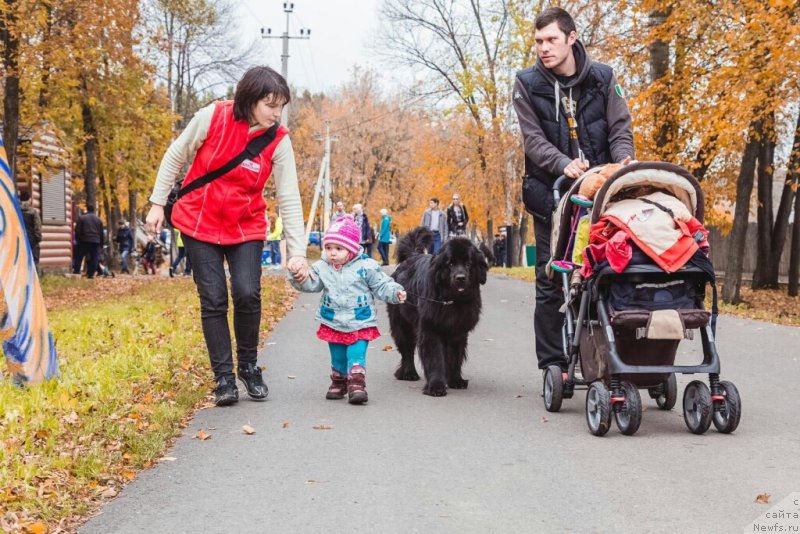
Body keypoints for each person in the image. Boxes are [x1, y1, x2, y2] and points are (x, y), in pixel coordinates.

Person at [145, 65, 311, 407]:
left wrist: (297, 251)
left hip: (245, 225)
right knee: (214, 299)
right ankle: (223, 377)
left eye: (281, 106)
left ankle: (248, 366)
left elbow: (289, 194)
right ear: (249, 99)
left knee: (248, 293)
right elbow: (176, 154)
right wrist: (157, 203)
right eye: (270, 105)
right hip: (198, 222)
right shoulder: (213, 117)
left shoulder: (278, 139)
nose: (276, 113)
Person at [513, 7, 634, 373]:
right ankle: (554, 363)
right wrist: (562, 163)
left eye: (551, 40)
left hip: (601, 192)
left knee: (606, 271)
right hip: (550, 192)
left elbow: (619, 126)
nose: (544, 48)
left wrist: (625, 161)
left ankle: (612, 354)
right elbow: (532, 139)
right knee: (552, 277)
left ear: (571, 37)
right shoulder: (527, 82)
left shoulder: (603, 77)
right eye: (538, 41)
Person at [288, 216, 406, 404]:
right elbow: (312, 285)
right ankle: (339, 381)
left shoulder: (366, 266)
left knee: (355, 354)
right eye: (328, 248)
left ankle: (357, 385)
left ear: (351, 249)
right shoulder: (322, 267)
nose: (332, 253)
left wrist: (395, 292)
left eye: (338, 249)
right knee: (338, 356)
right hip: (333, 320)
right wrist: (297, 275)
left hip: (360, 319)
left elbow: (381, 285)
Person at [73, 204, 104, 279]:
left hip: (84, 240)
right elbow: (101, 233)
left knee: (79, 257)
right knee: (94, 258)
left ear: (86, 209)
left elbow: (77, 230)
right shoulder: (98, 219)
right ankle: (91, 274)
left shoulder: (81, 218)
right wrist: (101, 244)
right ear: (94, 210)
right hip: (95, 241)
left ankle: (76, 272)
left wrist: (78, 240)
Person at [19, 191, 42, 273]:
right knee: (34, 263)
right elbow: (38, 229)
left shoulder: (16, 211)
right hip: (32, 242)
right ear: (30, 199)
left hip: (19, 242)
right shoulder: (33, 212)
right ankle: (35, 283)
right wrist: (37, 240)